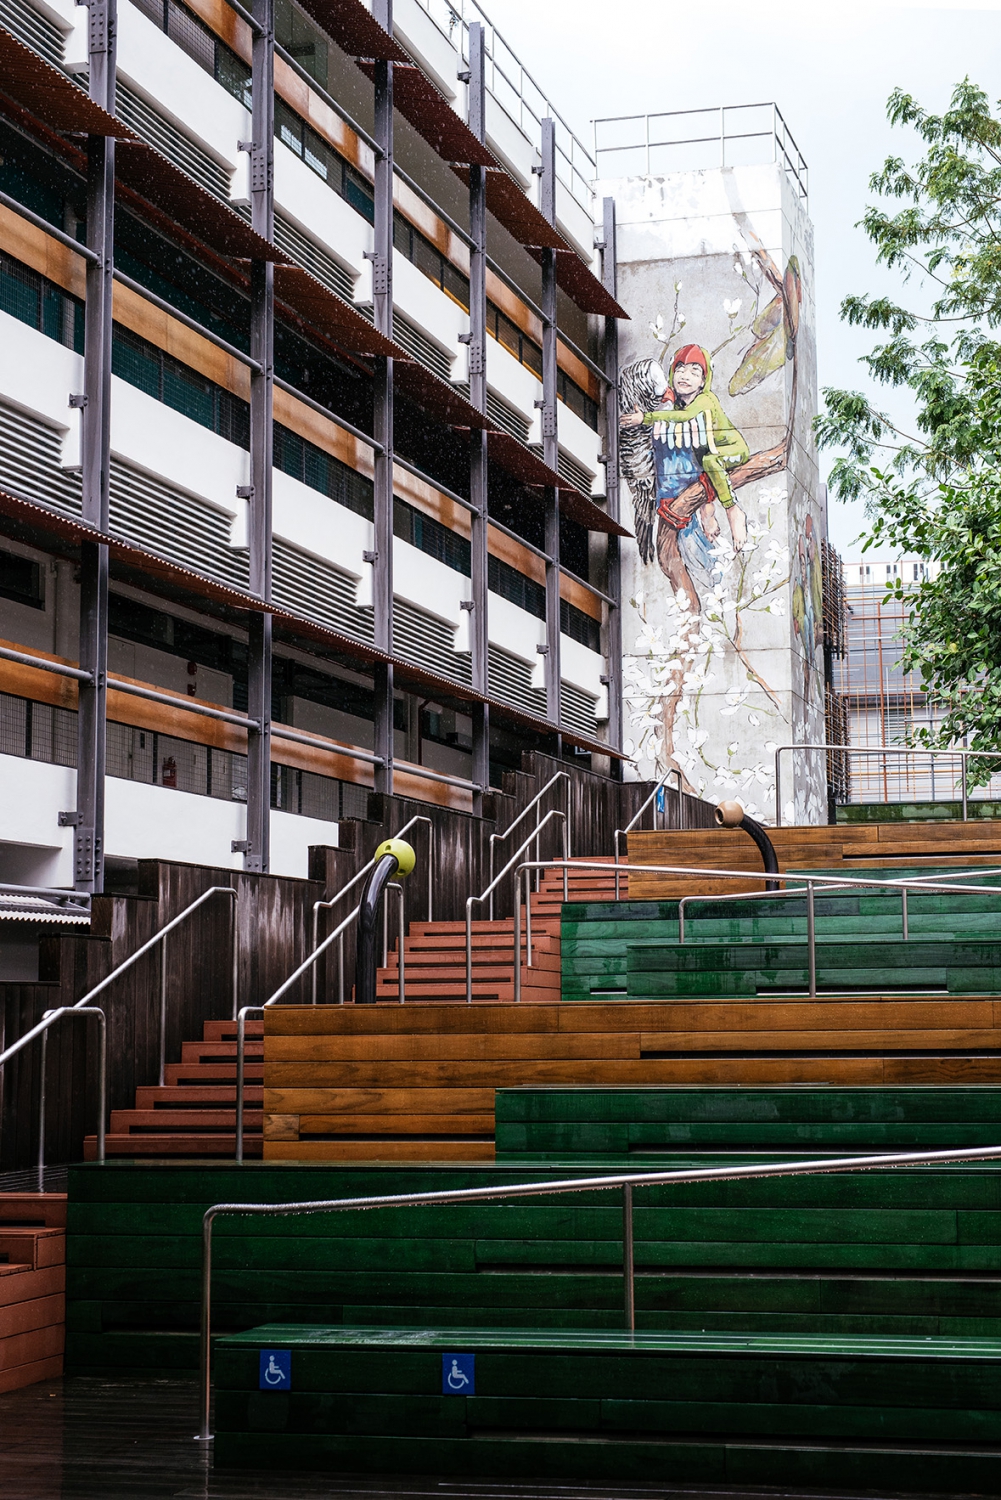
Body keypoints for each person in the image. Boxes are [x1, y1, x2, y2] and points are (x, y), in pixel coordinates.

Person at [621, 344, 749, 558]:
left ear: (703, 381)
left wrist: (645, 418)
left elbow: (683, 417)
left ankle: (733, 510)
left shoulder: (705, 400)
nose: (685, 376)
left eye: (694, 372)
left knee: (710, 461)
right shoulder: (675, 404)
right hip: (702, 463)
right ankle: (705, 509)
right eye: (680, 369)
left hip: (731, 451)